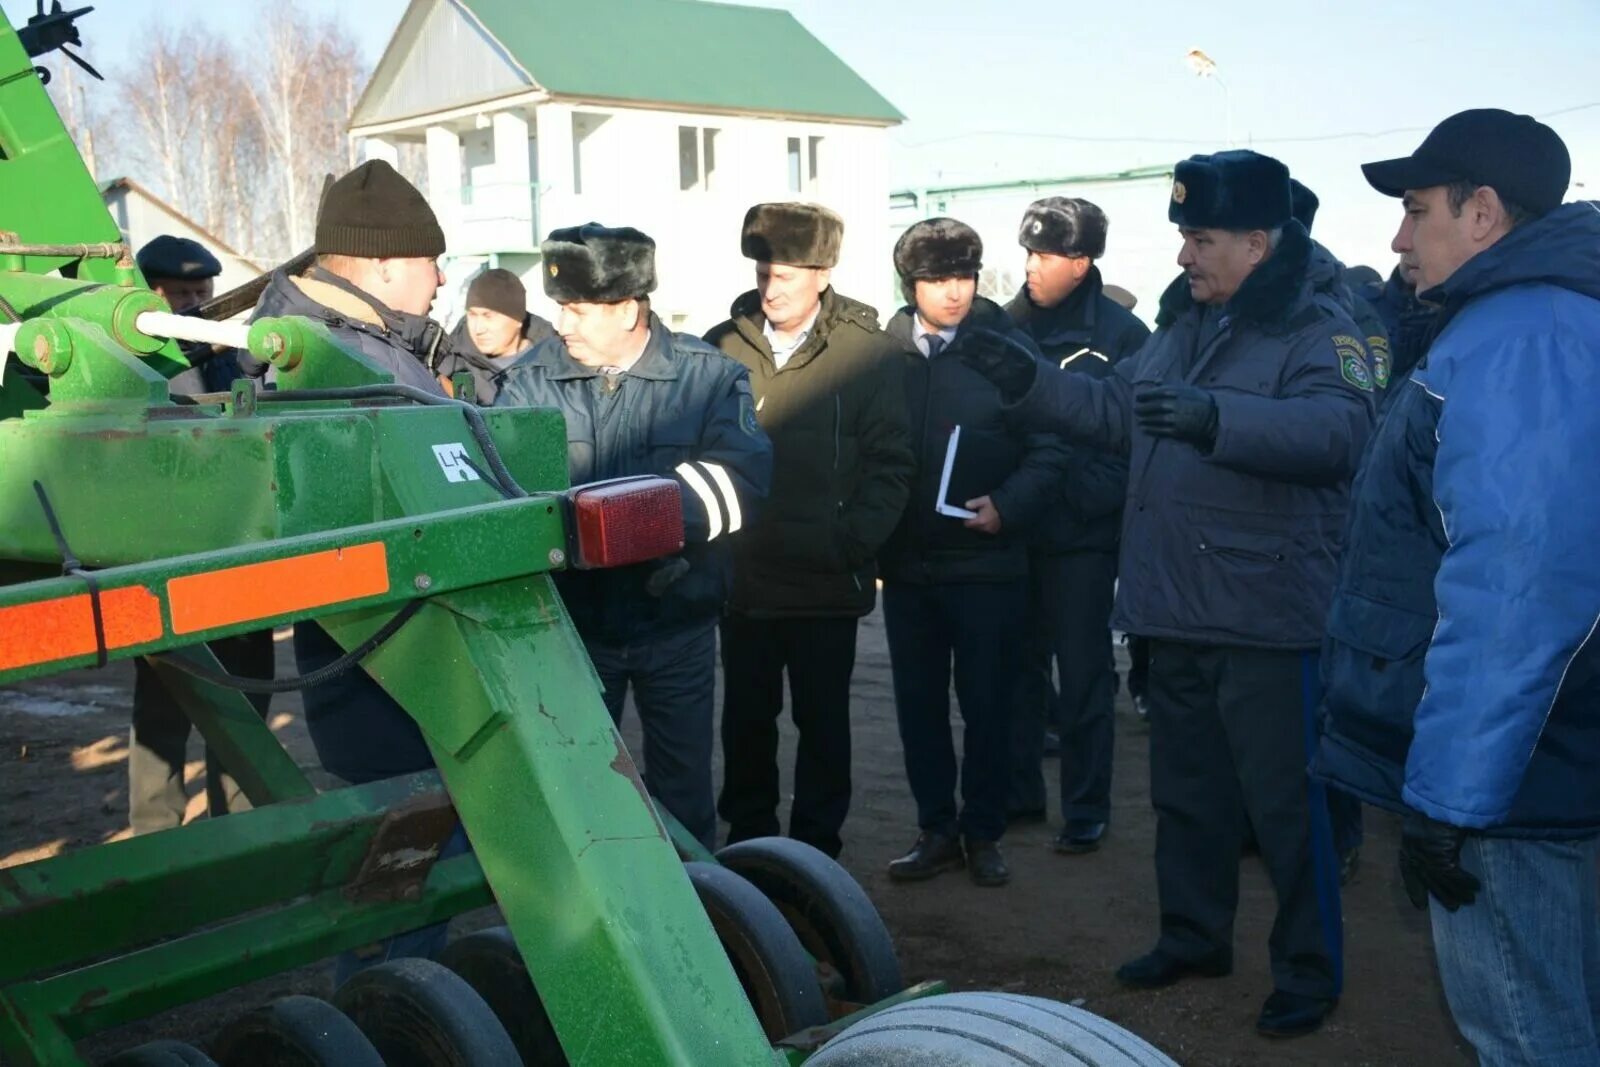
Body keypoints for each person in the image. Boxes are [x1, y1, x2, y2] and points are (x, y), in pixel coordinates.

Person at [961, 150, 1373, 1036]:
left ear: (1259, 243)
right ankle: (1193, 934)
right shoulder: (1186, 328)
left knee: (1286, 812)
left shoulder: (1315, 328)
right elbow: (1114, 411)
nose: (1184, 256)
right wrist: (1028, 382)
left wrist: (1217, 418)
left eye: (1201, 238)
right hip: (1174, 607)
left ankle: (1307, 970)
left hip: (1268, 617)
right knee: (1186, 796)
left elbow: (1340, 433)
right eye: (1184, 237)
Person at [1314, 109, 1600, 1065]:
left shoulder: (1525, 334)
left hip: (1525, 781)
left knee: (1528, 1037)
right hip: (1551, 755)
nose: (1397, 237)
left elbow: (1518, 591)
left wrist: (1452, 800)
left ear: (1481, 212)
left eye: (1414, 208)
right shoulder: (1538, 319)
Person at [495, 223, 773, 851]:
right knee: (579, 794)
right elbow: (504, 493)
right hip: (573, 633)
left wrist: (626, 523)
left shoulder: (709, 379)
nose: (561, 323)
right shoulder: (525, 384)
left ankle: (697, 924)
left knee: (683, 798)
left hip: (676, 624)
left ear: (627, 308)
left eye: (577, 309)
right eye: (558, 307)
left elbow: (743, 486)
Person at [705, 203, 912, 859]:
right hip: (745, 582)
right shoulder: (722, 347)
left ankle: (818, 852)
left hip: (826, 581)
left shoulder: (870, 355)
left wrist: (850, 542)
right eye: (764, 271)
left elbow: (892, 463)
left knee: (823, 724)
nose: (772, 287)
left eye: (787, 274)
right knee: (745, 721)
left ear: (822, 272)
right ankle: (751, 844)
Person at [879, 217, 1069, 888]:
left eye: (962, 276)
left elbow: (1053, 444)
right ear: (912, 284)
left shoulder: (1008, 350)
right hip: (907, 568)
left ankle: (984, 831)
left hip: (987, 565)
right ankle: (936, 828)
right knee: (918, 706)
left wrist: (1009, 505)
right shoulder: (885, 353)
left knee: (990, 704)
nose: (953, 292)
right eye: (936, 279)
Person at [1003, 197, 1150, 852]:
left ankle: (1086, 806)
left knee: (1085, 674)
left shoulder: (1125, 338)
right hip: (1013, 531)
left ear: (1083, 260)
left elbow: (1135, 443)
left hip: (1082, 540)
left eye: (1046, 255)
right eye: (1029, 253)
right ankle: (1020, 792)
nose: (1031, 267)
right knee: (1015, 666)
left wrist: (1082, 499)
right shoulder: (1005, 327)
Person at [127, 235, 274, 834]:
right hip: (172, 557)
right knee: (164, 710)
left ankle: (234, 831)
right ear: (150, 295)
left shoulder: (228, 355)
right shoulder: (137, 366)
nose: (194, 303)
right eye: (180, 293)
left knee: (246, 703)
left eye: (202, 292)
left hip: (242, 553)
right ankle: (154, 837)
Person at [437, 267, 555, 404]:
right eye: (472, 315)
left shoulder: (555, 360)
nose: (478, 328)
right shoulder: (450, 370)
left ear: (517, 319)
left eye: (488, 316)